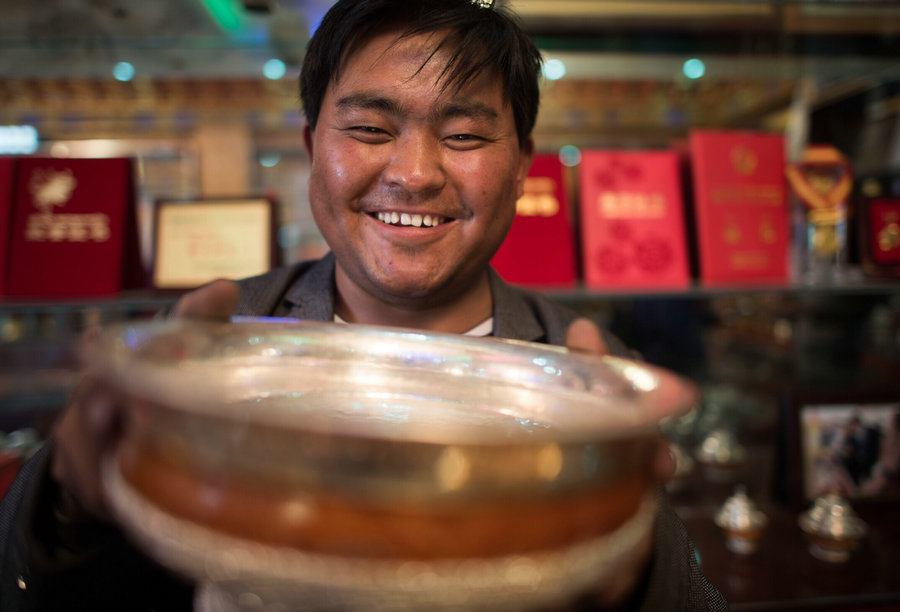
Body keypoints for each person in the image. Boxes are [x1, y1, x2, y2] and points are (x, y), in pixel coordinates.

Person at [0, 0, 727, 610]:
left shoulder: (589, 387)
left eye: (465, 135)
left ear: (519, 168)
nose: (413, 174)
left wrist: (629, 570)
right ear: (313, 144)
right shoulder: (203, 360)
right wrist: (71, 505)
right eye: (371, 130)